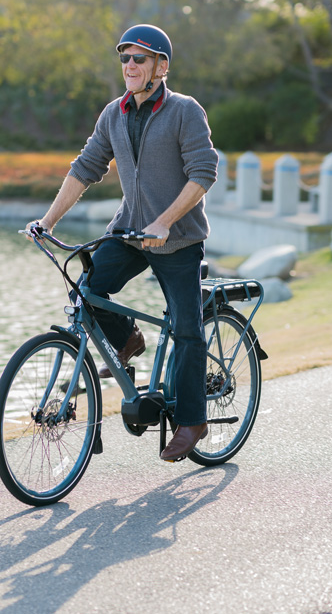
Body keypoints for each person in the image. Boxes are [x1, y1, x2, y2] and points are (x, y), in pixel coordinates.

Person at [27, 24, 218, 462]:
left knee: (187, 330)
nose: (130, 66)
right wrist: (47, 219)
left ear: (160, 66)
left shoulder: (186, 111)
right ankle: (128, 339)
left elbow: (203, 173)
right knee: (86, 289)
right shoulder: (114, 113)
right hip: (129, 231)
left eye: (140, 58)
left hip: (179, 238)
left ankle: (192, 421)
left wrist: (166, 222)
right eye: (125, 58)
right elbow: (86, 166)